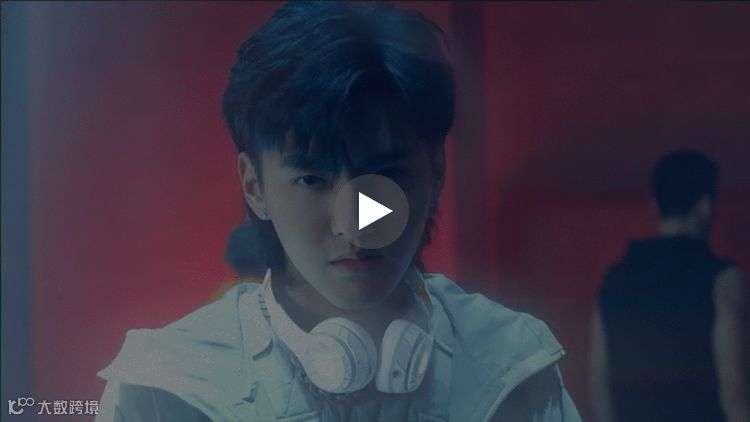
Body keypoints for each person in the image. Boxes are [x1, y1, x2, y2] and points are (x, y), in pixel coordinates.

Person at [96, 3, 580, 421]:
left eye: (386, 175)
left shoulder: (513, 364)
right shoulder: (171, 387)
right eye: (313, 180)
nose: (355, 225)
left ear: (435, 171)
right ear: (254, 186)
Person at [590, 150, 749, 422]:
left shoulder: (614, 279)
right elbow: (734, 394)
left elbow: (600, 388)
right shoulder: (723, 279)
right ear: (705, 204)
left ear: (655, 205)